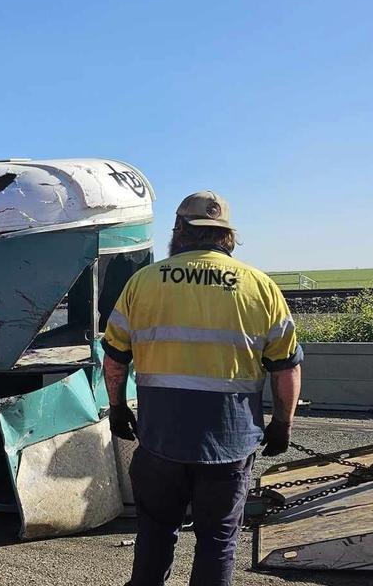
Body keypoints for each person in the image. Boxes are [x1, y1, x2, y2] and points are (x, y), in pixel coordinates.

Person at [102, 192, 302, 586]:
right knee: (217, 540)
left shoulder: (142, 283)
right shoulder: (260, 287)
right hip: (229, 442)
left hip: (161, 440)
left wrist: (118, 407)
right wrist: (283, 422)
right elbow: (286, 368)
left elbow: (114, 359)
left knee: (156, 532)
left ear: (180, 231)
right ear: (226, 236)